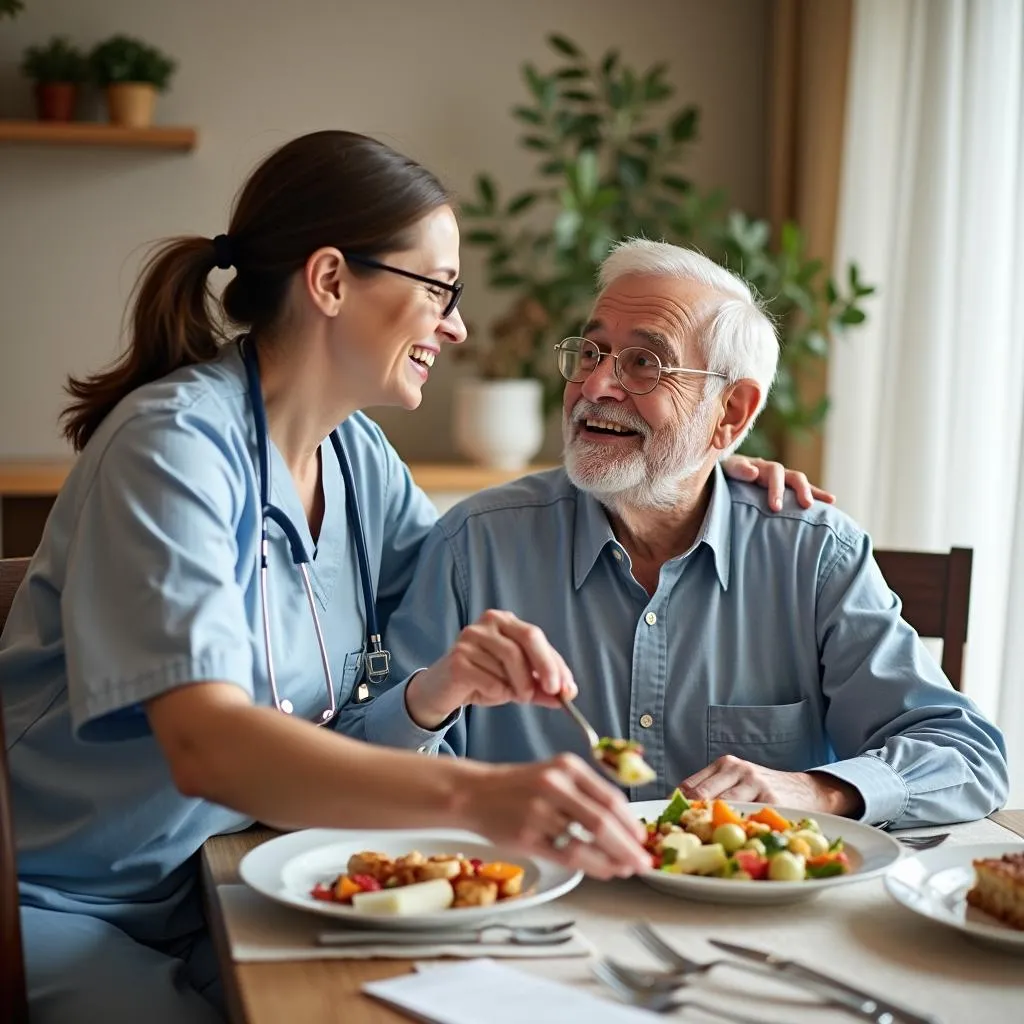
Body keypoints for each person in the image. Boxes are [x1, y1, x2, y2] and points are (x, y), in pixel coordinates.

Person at [0, 132, 821, 1024]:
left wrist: (691, 480)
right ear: (330, 281)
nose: (457, 324)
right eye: (439, 289)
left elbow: (479, 571)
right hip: (54, 898)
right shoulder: (171, 450)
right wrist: (482, 794)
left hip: (218, 890)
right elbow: (209, 745)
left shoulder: (354, 456)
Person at [345, 239, 1009, 830]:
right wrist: (430, 701)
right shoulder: (475, 546)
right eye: (594, 351)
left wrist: (819, 792)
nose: (595, 385)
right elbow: (365, 779)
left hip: (760, 928)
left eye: (643, 364)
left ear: (731, 413)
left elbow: (968, 758)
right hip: (532, 911)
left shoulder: (812, 554)